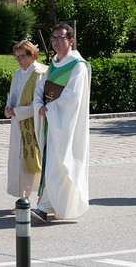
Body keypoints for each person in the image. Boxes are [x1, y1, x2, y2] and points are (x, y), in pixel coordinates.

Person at [31, 23, 91, 222]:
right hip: (52, 120)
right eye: (54, 38)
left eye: (61, 38)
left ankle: (44, 207)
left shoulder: (78, 66)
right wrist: (39, 103)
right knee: (52, 164)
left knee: (59, 165)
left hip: (65, 124)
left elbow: (72, 97)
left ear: (71, 41)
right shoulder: (54, 64)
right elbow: (41, 87)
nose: (56, 42)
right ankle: (50, 206)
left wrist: (49, 109)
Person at [5, 40, 46, 214]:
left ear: (32, 55)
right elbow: (11, 96)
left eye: (22, 57)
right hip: (17, 123)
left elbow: (38, 104)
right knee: (18, 161)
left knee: (32, 161)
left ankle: (37, 199)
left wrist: (17, 111)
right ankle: (23, 198)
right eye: (17, 57)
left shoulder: (39, 74)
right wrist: (8, 109)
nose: (19, 60)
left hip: (33, 124)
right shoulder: (17, 74)